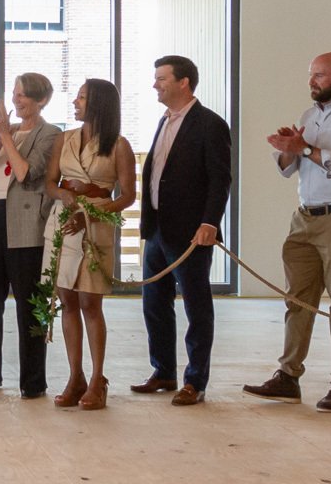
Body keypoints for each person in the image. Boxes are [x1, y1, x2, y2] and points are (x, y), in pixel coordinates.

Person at [244, 51, 331, 413]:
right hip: (305, 218)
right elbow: (289, 169)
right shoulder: (309, 116)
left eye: (320, 75)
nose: (312, 82)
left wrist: (303, 147)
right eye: (311, 75)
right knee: (297, 300)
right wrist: (289, 150)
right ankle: (288, 376)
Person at [132, 56, 232, 407]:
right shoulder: (164, 122)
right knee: (154, 303)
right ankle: (163, 371)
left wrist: (210, 223)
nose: (155, 84)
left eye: (161, 78)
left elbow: (220, 180)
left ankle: (195, 381)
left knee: (196, 307)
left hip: (191, 234)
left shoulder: (210, 124)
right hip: (158, 229)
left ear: (184, 82)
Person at [0, 73, 61, 399]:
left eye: (24, 96)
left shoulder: (50, 134)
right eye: (15, 95)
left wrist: (6, 137)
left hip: (26, 223)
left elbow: (24, 172)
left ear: (41, 100)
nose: (17, 101)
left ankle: (33, 381)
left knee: (28, 305)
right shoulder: (8, 134)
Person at [43, 78, 137, 411]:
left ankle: (98, 379)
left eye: (82, 98)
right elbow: (50, 182)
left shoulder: (118, 146)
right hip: (63, 222)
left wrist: (91, 212)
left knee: (90, 303)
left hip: (96, 225)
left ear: (98, 104)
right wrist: (64, 194)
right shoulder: (65, 139)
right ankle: (75, 377)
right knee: (66, 298)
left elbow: (127, 196)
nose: (75, 102)